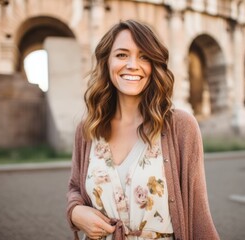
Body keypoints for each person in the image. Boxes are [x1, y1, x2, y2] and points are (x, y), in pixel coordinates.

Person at [66, 19, 219, 240]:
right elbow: (75, 188)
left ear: (154, 65)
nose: (132, 65)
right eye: (121, 55)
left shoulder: (181, 127)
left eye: (144, 56)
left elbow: (199, 214)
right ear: (106, 62)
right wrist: (74, 212)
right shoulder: (89, 128)